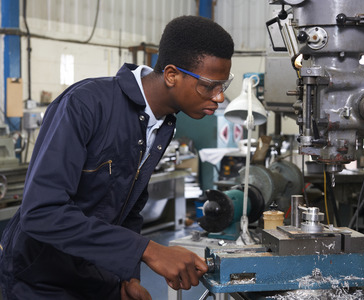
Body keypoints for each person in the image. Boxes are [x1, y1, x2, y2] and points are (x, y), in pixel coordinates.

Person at [0, 15, 234, 299]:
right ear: (172, 75)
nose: (219, 97)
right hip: (40, 280)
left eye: (224, 85)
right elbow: (41, 212)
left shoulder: (162, 125)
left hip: (95, 275)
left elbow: (130, 207)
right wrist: (148, 250)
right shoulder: (86, 104)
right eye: (210, 85)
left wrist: (127, 276)